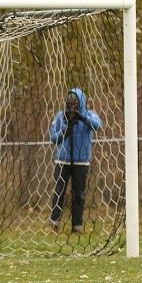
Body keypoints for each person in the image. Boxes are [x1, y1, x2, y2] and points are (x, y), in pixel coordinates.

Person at [48, 88, 102, 233]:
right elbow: (53, 138)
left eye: (76, 103)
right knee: (59, 192)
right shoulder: (61, 116)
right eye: (70, 103)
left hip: (81, 161)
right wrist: (66, 129)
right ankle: (54, 222)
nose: (73, 106)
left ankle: (77, 226)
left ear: (81, 102)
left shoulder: (90, 115)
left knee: (79, 194)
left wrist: (82, 118)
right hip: (62, 160)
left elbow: (98, 126)